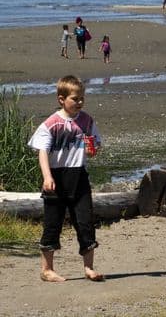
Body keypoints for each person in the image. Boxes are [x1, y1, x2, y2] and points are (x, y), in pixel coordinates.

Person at [27, 75, 103, 282]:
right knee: (53, 223)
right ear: (61, 99)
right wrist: (47, 176)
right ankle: (47, 269)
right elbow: (42, 152)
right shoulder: (51, 123)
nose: (79, 102)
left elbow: (95, 144)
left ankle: (89, 268)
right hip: (56, 178)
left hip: (79, 176)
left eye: (81, 98)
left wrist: (92, 148)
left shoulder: (87, 120)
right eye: (74, 99)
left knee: (85, 221)